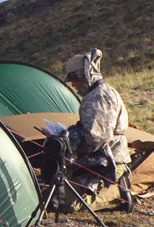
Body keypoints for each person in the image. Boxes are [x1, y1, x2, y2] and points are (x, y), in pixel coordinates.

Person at [53, 48, 134, 211]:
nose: (73, 85)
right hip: (98, 158)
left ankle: (117, 194)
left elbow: (96, 139)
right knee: (59, 194)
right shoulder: (98, 93)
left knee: (70, 205)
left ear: (82, 76)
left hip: (107, 161)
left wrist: (71, 139)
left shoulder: (98, 97)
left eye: (73, 79)